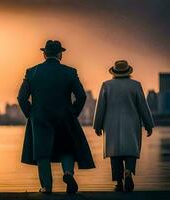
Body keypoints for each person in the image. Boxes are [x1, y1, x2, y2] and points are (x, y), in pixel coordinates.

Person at [17, 40, 95, 194]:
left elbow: (21, 97)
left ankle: (47, 187)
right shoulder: (70, 72)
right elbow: (81, 96)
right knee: (67, 147)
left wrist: (31, 114)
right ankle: (67, 173)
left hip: (40, 117)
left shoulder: (31, 72)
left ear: (44, 54)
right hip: (64, 116)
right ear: (60, 54)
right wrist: (73, 113)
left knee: (42, 151)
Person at [93, 60, 154, 192]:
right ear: (128, 72)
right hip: (131, 123)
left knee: (115, 154)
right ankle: (128, 172)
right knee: (131, 151)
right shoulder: (135, 85)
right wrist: (149, 124)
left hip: (111, 124)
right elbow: (143, 106)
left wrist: (97, 125)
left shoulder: (106, 85)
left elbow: (100, 107)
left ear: (114, 72)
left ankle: (119, 183)